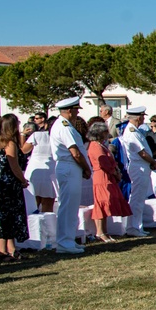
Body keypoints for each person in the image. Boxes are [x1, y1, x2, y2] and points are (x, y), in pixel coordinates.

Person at [49, 97, 92, 254]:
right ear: (68, 110)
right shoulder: (64, 126)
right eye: (75, 109)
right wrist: (86, 168)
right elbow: (75, 152)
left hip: (70, 167)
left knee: (72, 206)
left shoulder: (65, 125)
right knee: (68, 206)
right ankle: (64, 242)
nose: (77, 112)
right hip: (69, 166)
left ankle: (68, 239)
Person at [86, 121, 131, 242]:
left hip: (107, 176)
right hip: (102, 176)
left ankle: (104, 231)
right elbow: (103, 163)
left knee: (107, 204)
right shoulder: (95, 146)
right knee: (102, 203)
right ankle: (100, 232)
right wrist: (115, 172)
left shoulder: (101, 145)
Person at [0, 114, 29, 260]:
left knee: (4, 216)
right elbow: (14, 165)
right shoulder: (10, 143)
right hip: (9, 183)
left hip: (1, 181)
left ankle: (8, 249)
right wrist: (23, 180)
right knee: (10, 215)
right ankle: (8, 250)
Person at [120, 106, 156, 237]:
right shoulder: (132, 132)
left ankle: (137, 225)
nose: (143, 118)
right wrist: (152, 162)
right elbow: (141, 152)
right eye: (142, 116)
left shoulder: (135, 131)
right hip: (139, 166)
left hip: (141, 166)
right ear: (138, 117)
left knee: (139, 198)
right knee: (137, 199)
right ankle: (133, 227)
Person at [23, 118, 57, 213]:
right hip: (51, 171)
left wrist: (22, 135)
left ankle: (33, 226)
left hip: (35, 169)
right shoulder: (59, 137)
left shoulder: (37, 135)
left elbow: (24, 149)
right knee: (48, 204)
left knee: (33, 203)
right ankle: (47, 226)